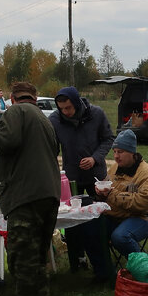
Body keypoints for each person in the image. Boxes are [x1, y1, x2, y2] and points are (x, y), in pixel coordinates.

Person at [0, 81, 60, 296]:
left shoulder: (16, 111)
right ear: (35, 97)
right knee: (38, 253)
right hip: (49, 193)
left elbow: (7, 140)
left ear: (12, 98)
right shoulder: (45, 119)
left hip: (26, 195)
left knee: (21, 255)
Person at [48, 86, 115, 271]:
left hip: (96, 176)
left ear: (76, 103)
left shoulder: (97, 114)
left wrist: (95, 158)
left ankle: (103, 258)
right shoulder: (55, 120)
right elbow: (51, 147)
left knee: (99, 218)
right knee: (72, 220)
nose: (65, 112)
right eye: (61, 108)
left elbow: (108, 138)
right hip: (71, 179)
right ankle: (77, 259)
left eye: (68, 107)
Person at [85, 129, 148, 287]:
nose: (116, 156)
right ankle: (105, 273)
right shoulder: (114, 169)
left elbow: (142, 203)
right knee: (88, 227)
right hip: (116, 216)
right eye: (115, 152)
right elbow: (107, 189)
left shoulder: (146, 174)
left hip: (143, 218)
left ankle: (146, 271)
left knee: (120, 236)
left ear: (132, 152)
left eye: (121, 152)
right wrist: (100, 193)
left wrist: (111, 195)